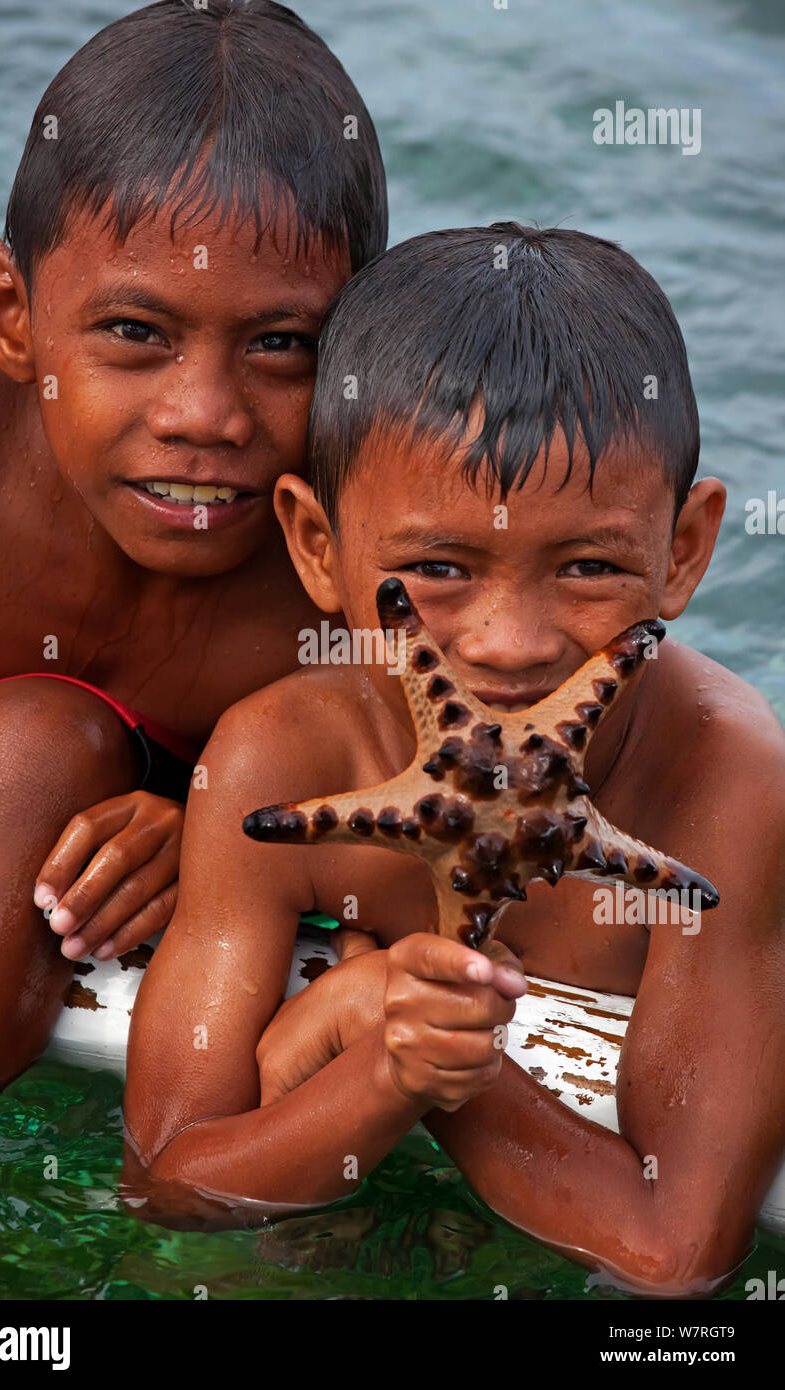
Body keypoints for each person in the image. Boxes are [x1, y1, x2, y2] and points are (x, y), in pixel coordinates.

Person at [125, 222, 785, 1297]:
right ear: (314, 545)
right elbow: (170, 1181)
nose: (507, 643)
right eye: (436, 567)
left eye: (586, 566)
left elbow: (674, 1256)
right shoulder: (278, 766)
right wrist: (386, 1063)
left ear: (684, 550)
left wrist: (445, 1071)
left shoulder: (720, 781)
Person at [0, 0, 386, 1154]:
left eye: (281, 344)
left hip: (34, 806)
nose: (205, 418)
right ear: (9, 314)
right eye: (135, 332)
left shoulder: (365, 559)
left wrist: (214, 830)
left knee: (33, 743)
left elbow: (457, 816)